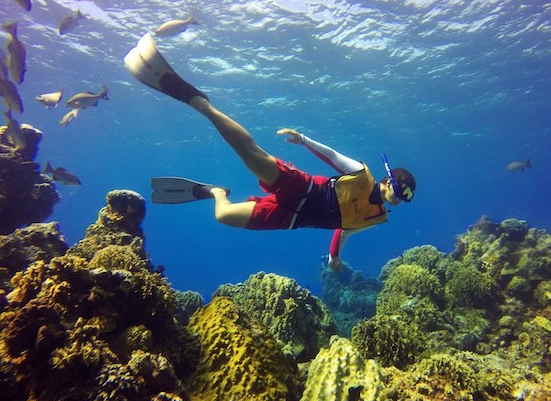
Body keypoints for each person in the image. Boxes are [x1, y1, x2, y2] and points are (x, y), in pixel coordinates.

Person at [124, 34, 416, 270]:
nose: (399, 200)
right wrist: (304, 139)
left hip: (292, 219)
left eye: (404, 199)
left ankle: (214, 192)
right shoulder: (363, 177)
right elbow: (333, 157)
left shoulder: (377, 217)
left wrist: (334, 258)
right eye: (401, 192)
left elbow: (345, 231)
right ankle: (198, 101)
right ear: (389, 180)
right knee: (251, 154)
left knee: (223, 216)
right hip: (302, 188)